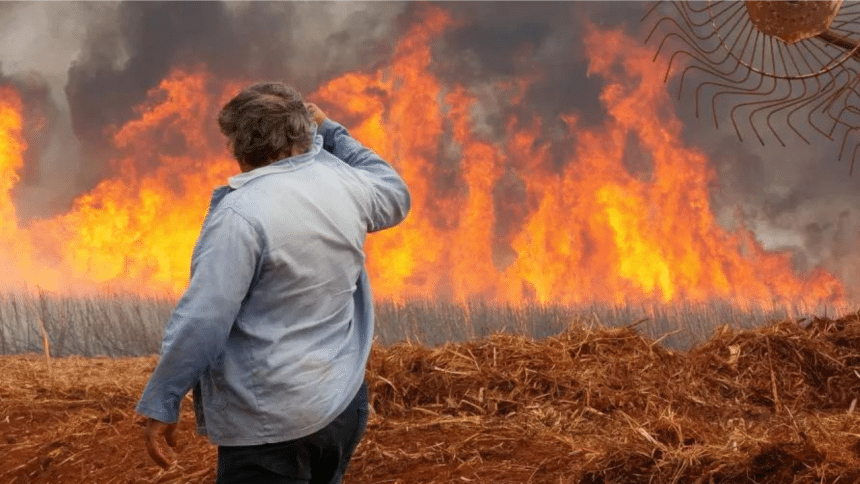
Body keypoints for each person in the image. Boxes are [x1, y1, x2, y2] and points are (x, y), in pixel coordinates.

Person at [135, 81, 411, 484]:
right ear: (303, 131)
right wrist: (332, 131)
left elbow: (204, 319)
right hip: (339, 406)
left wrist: (163, 399)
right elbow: (394, 192)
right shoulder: (346, 185)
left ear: (237, 145)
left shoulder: (242, 214)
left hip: (271, 423)